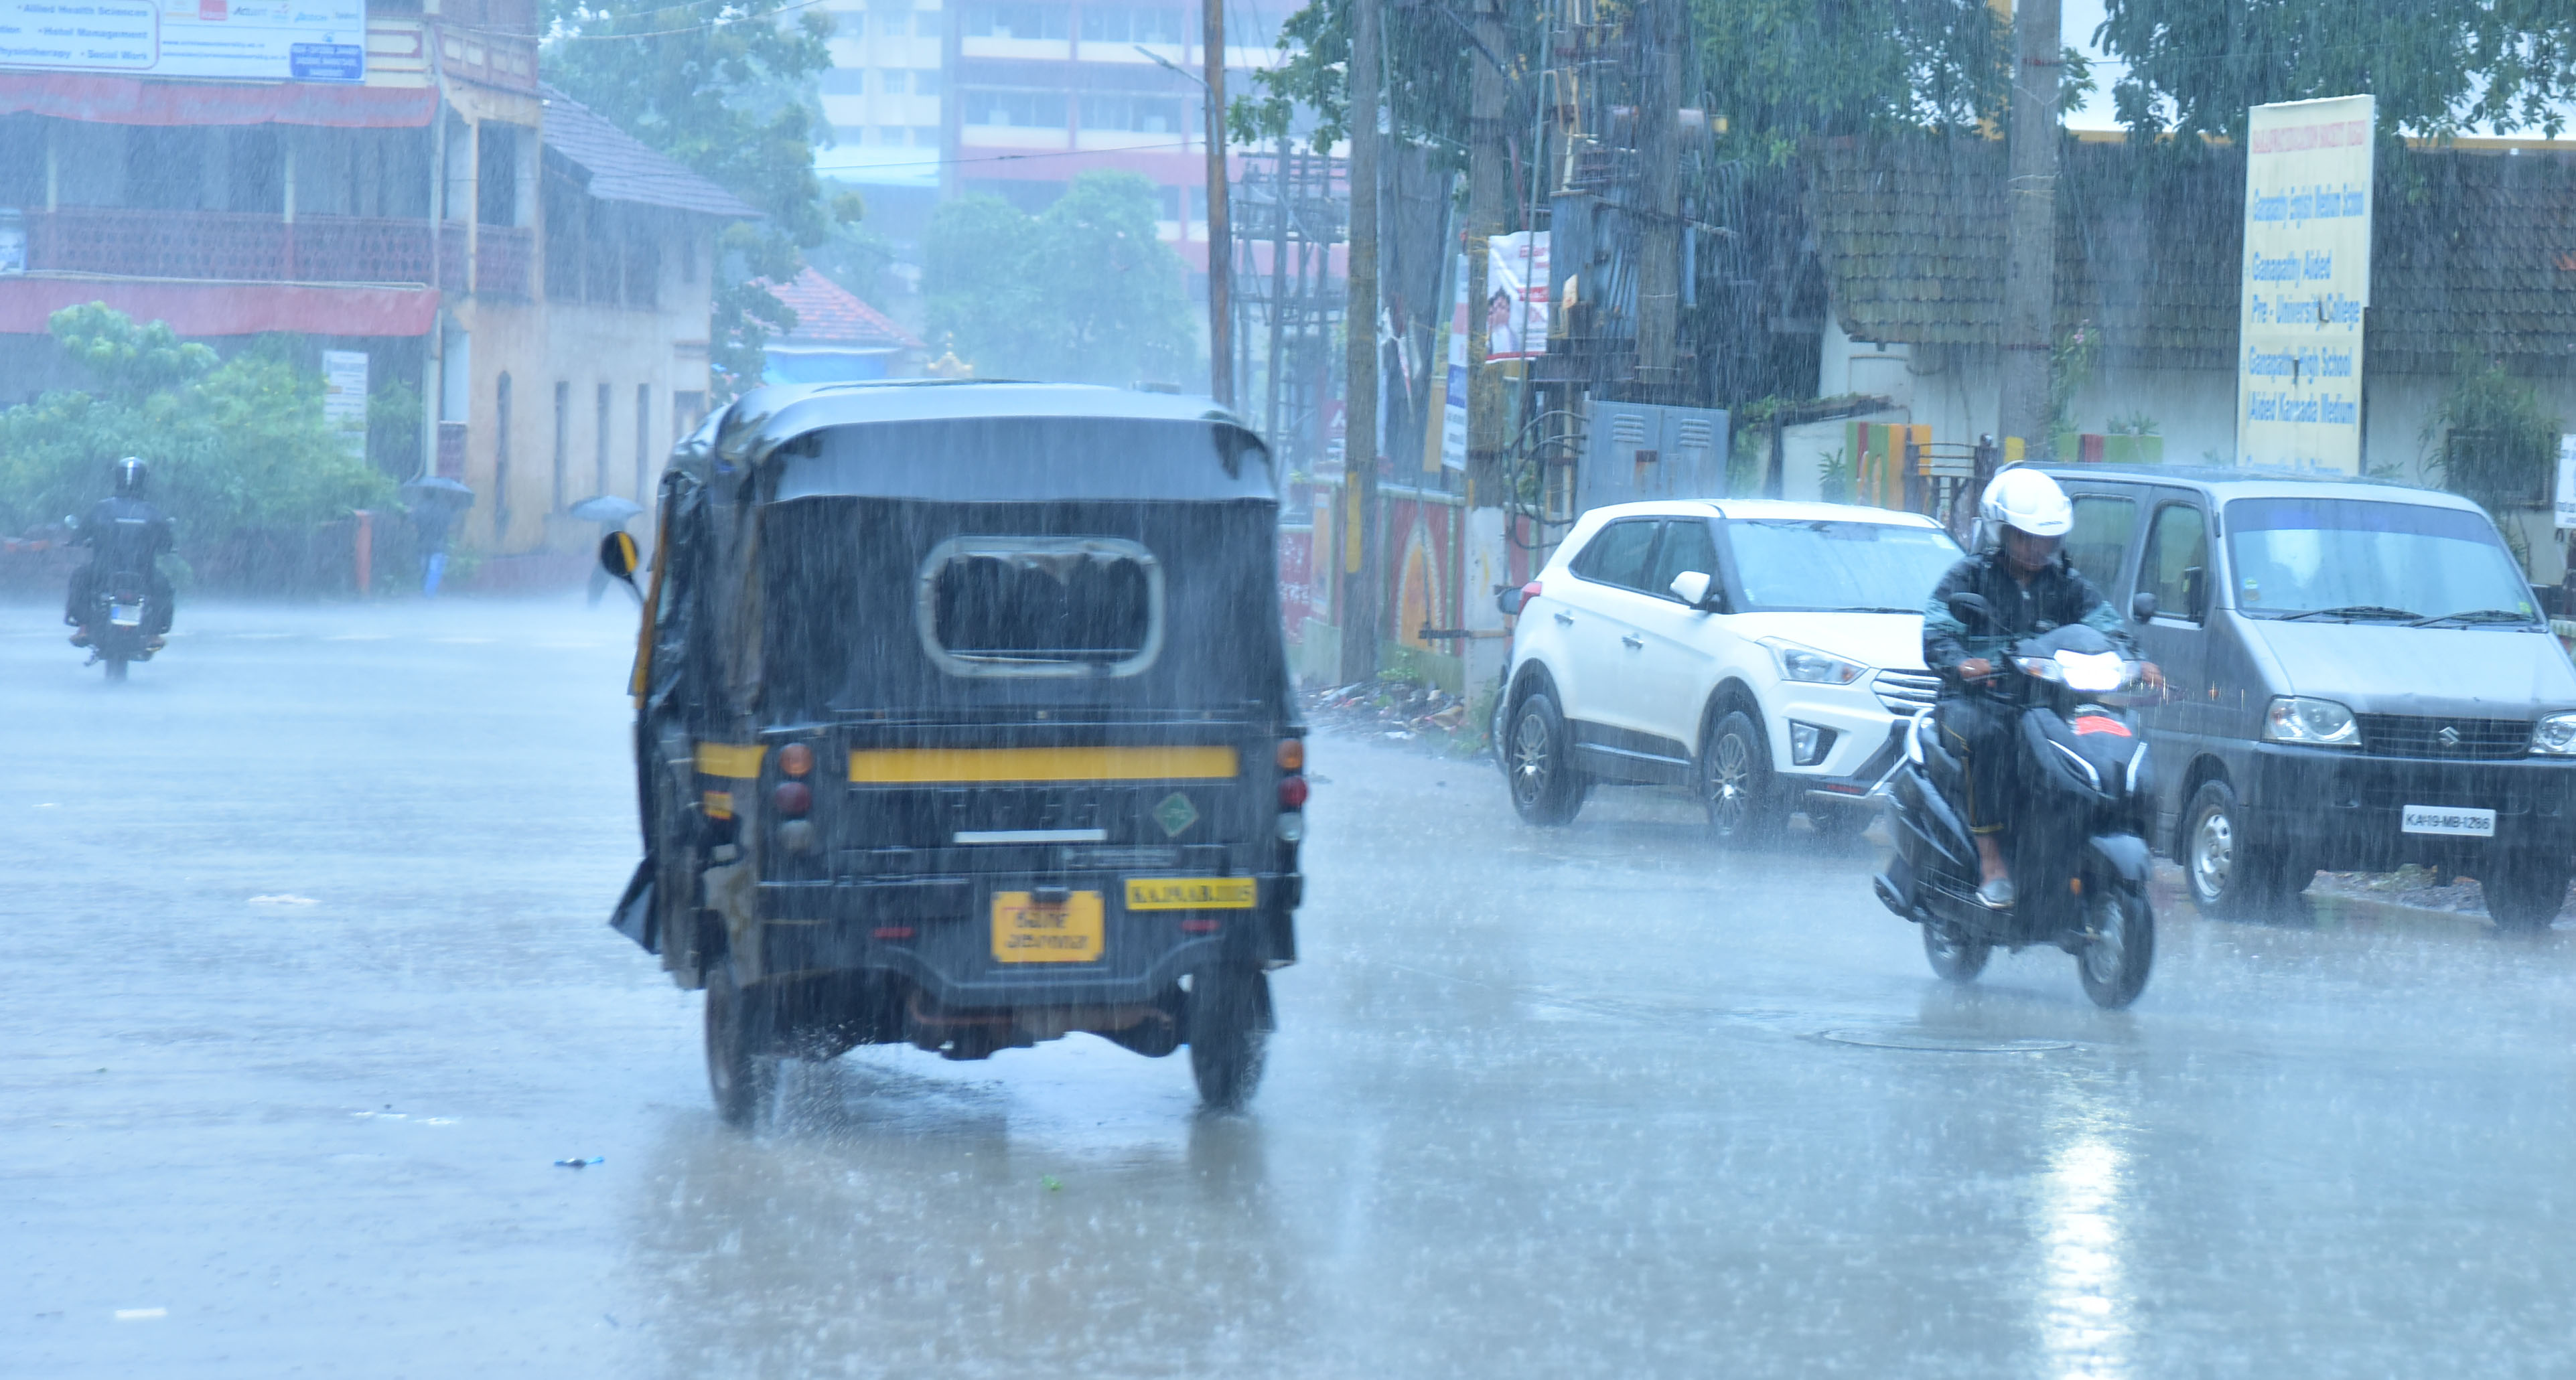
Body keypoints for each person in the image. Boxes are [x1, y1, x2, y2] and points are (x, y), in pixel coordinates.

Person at [1921, 467, 2162, 909]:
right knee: (1990, 740)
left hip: (2048, 704)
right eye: (2026, 538)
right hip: (1979, 701)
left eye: (2046, 540)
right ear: (2003, 533)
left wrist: (2136, 659)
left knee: (2107, 738)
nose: (2037, 549)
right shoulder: (1968, 577)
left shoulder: (2069, 585)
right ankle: (1993, 862)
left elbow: (2109, 628)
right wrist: (1964, 664)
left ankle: (2071, 843)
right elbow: (1937, 632)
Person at [64, 456, 175, 649]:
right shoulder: (153, 513)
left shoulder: (102, 508)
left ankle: (83, 628)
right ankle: (153, 634)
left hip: (103, 573)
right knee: (164, 587)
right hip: (144, 576)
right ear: (143, 480)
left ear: (118, 478)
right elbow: (167, 545)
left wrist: (76, 540)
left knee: (79, 578)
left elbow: (81, 534)